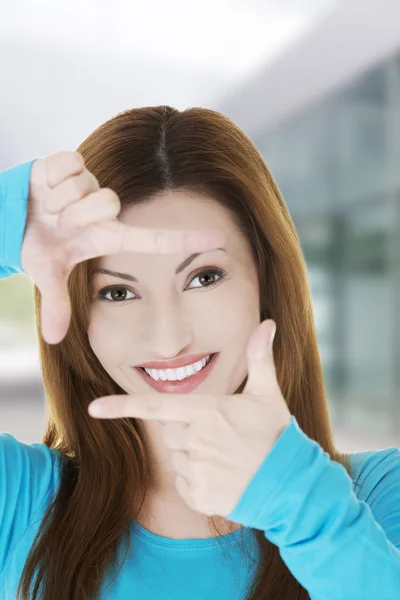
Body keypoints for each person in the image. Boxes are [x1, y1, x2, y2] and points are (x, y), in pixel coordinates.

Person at [0, 106, 399, 600]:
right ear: (81, 314)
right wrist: (6, 219)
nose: (168, 340)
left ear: (267, 283)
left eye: (203, 278)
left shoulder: (380, 499)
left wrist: (302, 507)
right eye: (118, 292)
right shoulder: (18, 502)